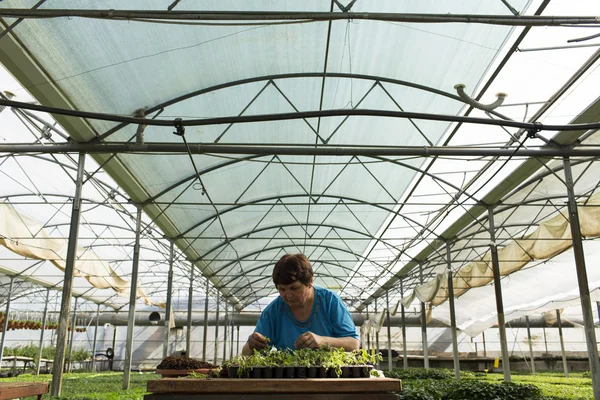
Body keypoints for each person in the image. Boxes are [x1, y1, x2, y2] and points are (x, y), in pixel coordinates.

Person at [242, 253, 359, 355]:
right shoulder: (273, 312)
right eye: (282, 289)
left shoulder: (330, 301)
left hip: (329, 375)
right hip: (288, 377)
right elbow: (246, 353)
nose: (288, 295)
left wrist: (322, 341)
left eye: (294, 288)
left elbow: (354, 344)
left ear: (310, 282)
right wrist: (251, 345)